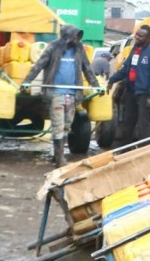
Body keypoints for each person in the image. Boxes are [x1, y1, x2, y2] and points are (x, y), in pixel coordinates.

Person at [21, 25, 101, 166]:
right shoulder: (53, 47)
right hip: (55, 92)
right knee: (58, 125)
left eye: (78, 36)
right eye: (74, 35)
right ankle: (59, 159)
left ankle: (57, 154)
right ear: (66, 36)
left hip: (73, 93)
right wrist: (27, 81)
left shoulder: (79, 49)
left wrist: (96, 85)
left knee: (67, 126)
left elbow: (87, 68)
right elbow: (39, 65)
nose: (76, 38)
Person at [107, 24, 150, 145]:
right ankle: (124, 149)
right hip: (131, 91)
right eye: (136, 35)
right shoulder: (134, 50)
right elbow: (126, 69)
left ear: (148, 38)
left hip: (145, 94)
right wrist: (112, 80)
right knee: (127, 122)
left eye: (141, 36)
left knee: (143, 125)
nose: (137, 37)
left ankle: (143, 151)